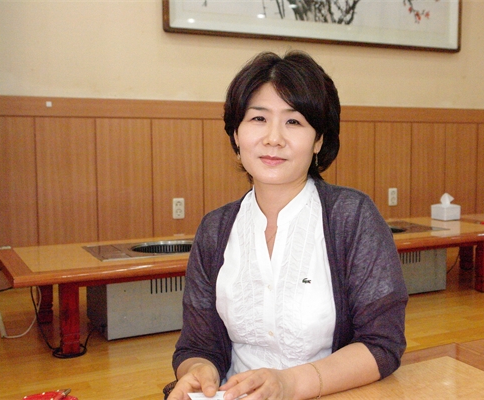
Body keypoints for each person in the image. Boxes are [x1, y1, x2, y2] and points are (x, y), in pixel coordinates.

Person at [167, 50, 408, 400]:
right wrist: (198, 371)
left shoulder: (352, 216)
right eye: (258, 118)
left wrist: (290, 383)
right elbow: (198, 345)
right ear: (236, 135)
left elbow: (382, 344)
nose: (274, 138)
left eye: (293, 122)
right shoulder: (215, 230)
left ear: (319, 139)